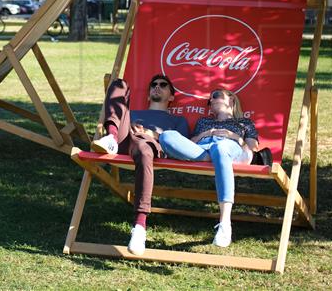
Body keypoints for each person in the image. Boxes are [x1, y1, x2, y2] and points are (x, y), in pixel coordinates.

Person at [90, 75, 190, 256]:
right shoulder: (134, 114)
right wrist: (128, 127)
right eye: (153, 85)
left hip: (149, 145)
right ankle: (111, 137)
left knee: (144, 149)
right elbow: (121, 113)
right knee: (119, 83)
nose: (156, 87)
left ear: (172, 97)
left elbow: (182, 145)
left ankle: (139, 226)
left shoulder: (178, 121)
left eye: (163, 85)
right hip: (124, 139)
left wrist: (155, 134)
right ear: (148, 95)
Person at [159, 89, 259, 248]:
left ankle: (225, 223)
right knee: (166, 136)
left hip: (230, 148)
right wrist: (207, 133)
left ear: (231, 99)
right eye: (209, 100)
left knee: (220, 148)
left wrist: (232, 136)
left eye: (216, 95)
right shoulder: (203, 122)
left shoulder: (244, 123)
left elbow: (252, 147)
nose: (211, 100)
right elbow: (191, 142)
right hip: (203, 150)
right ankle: (212, 157)